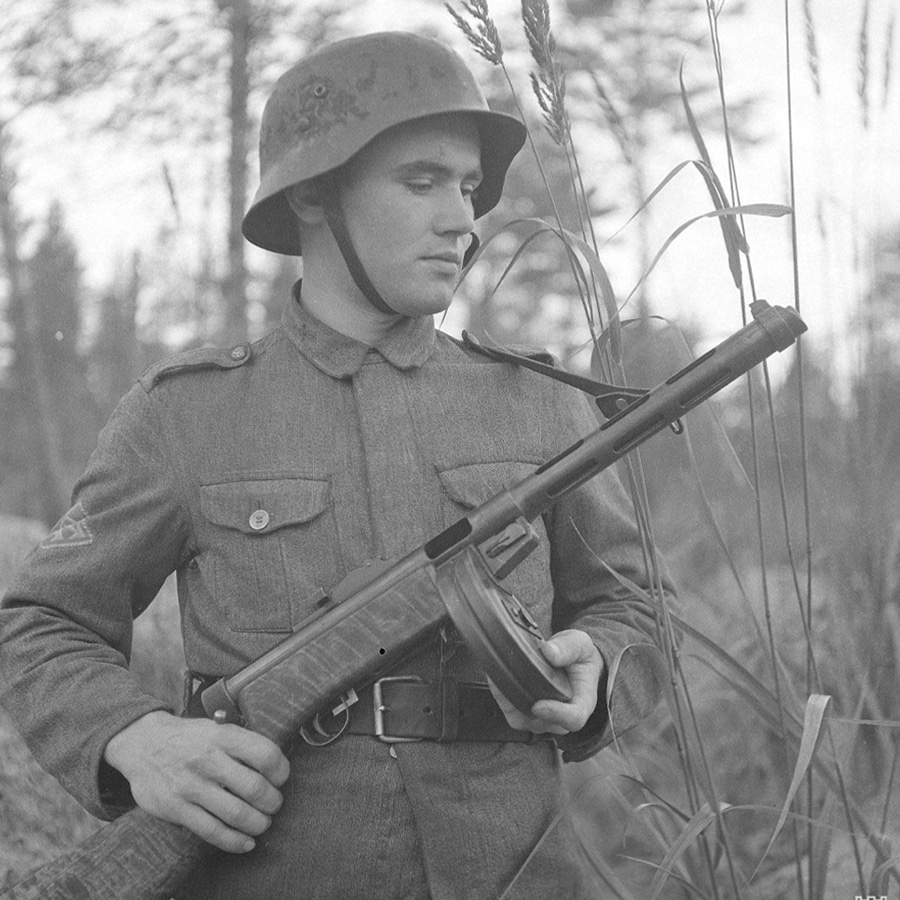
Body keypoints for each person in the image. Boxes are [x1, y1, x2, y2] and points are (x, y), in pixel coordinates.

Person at [0, 31, 667, 899]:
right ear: (315, 197)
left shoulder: (541, 405)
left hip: (517, 872)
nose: (462, 219)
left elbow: (633, 601)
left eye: (467, 187)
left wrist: (601, 665)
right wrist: (138, 738)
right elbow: (40, 623)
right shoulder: (185, 417)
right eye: (420, 181)